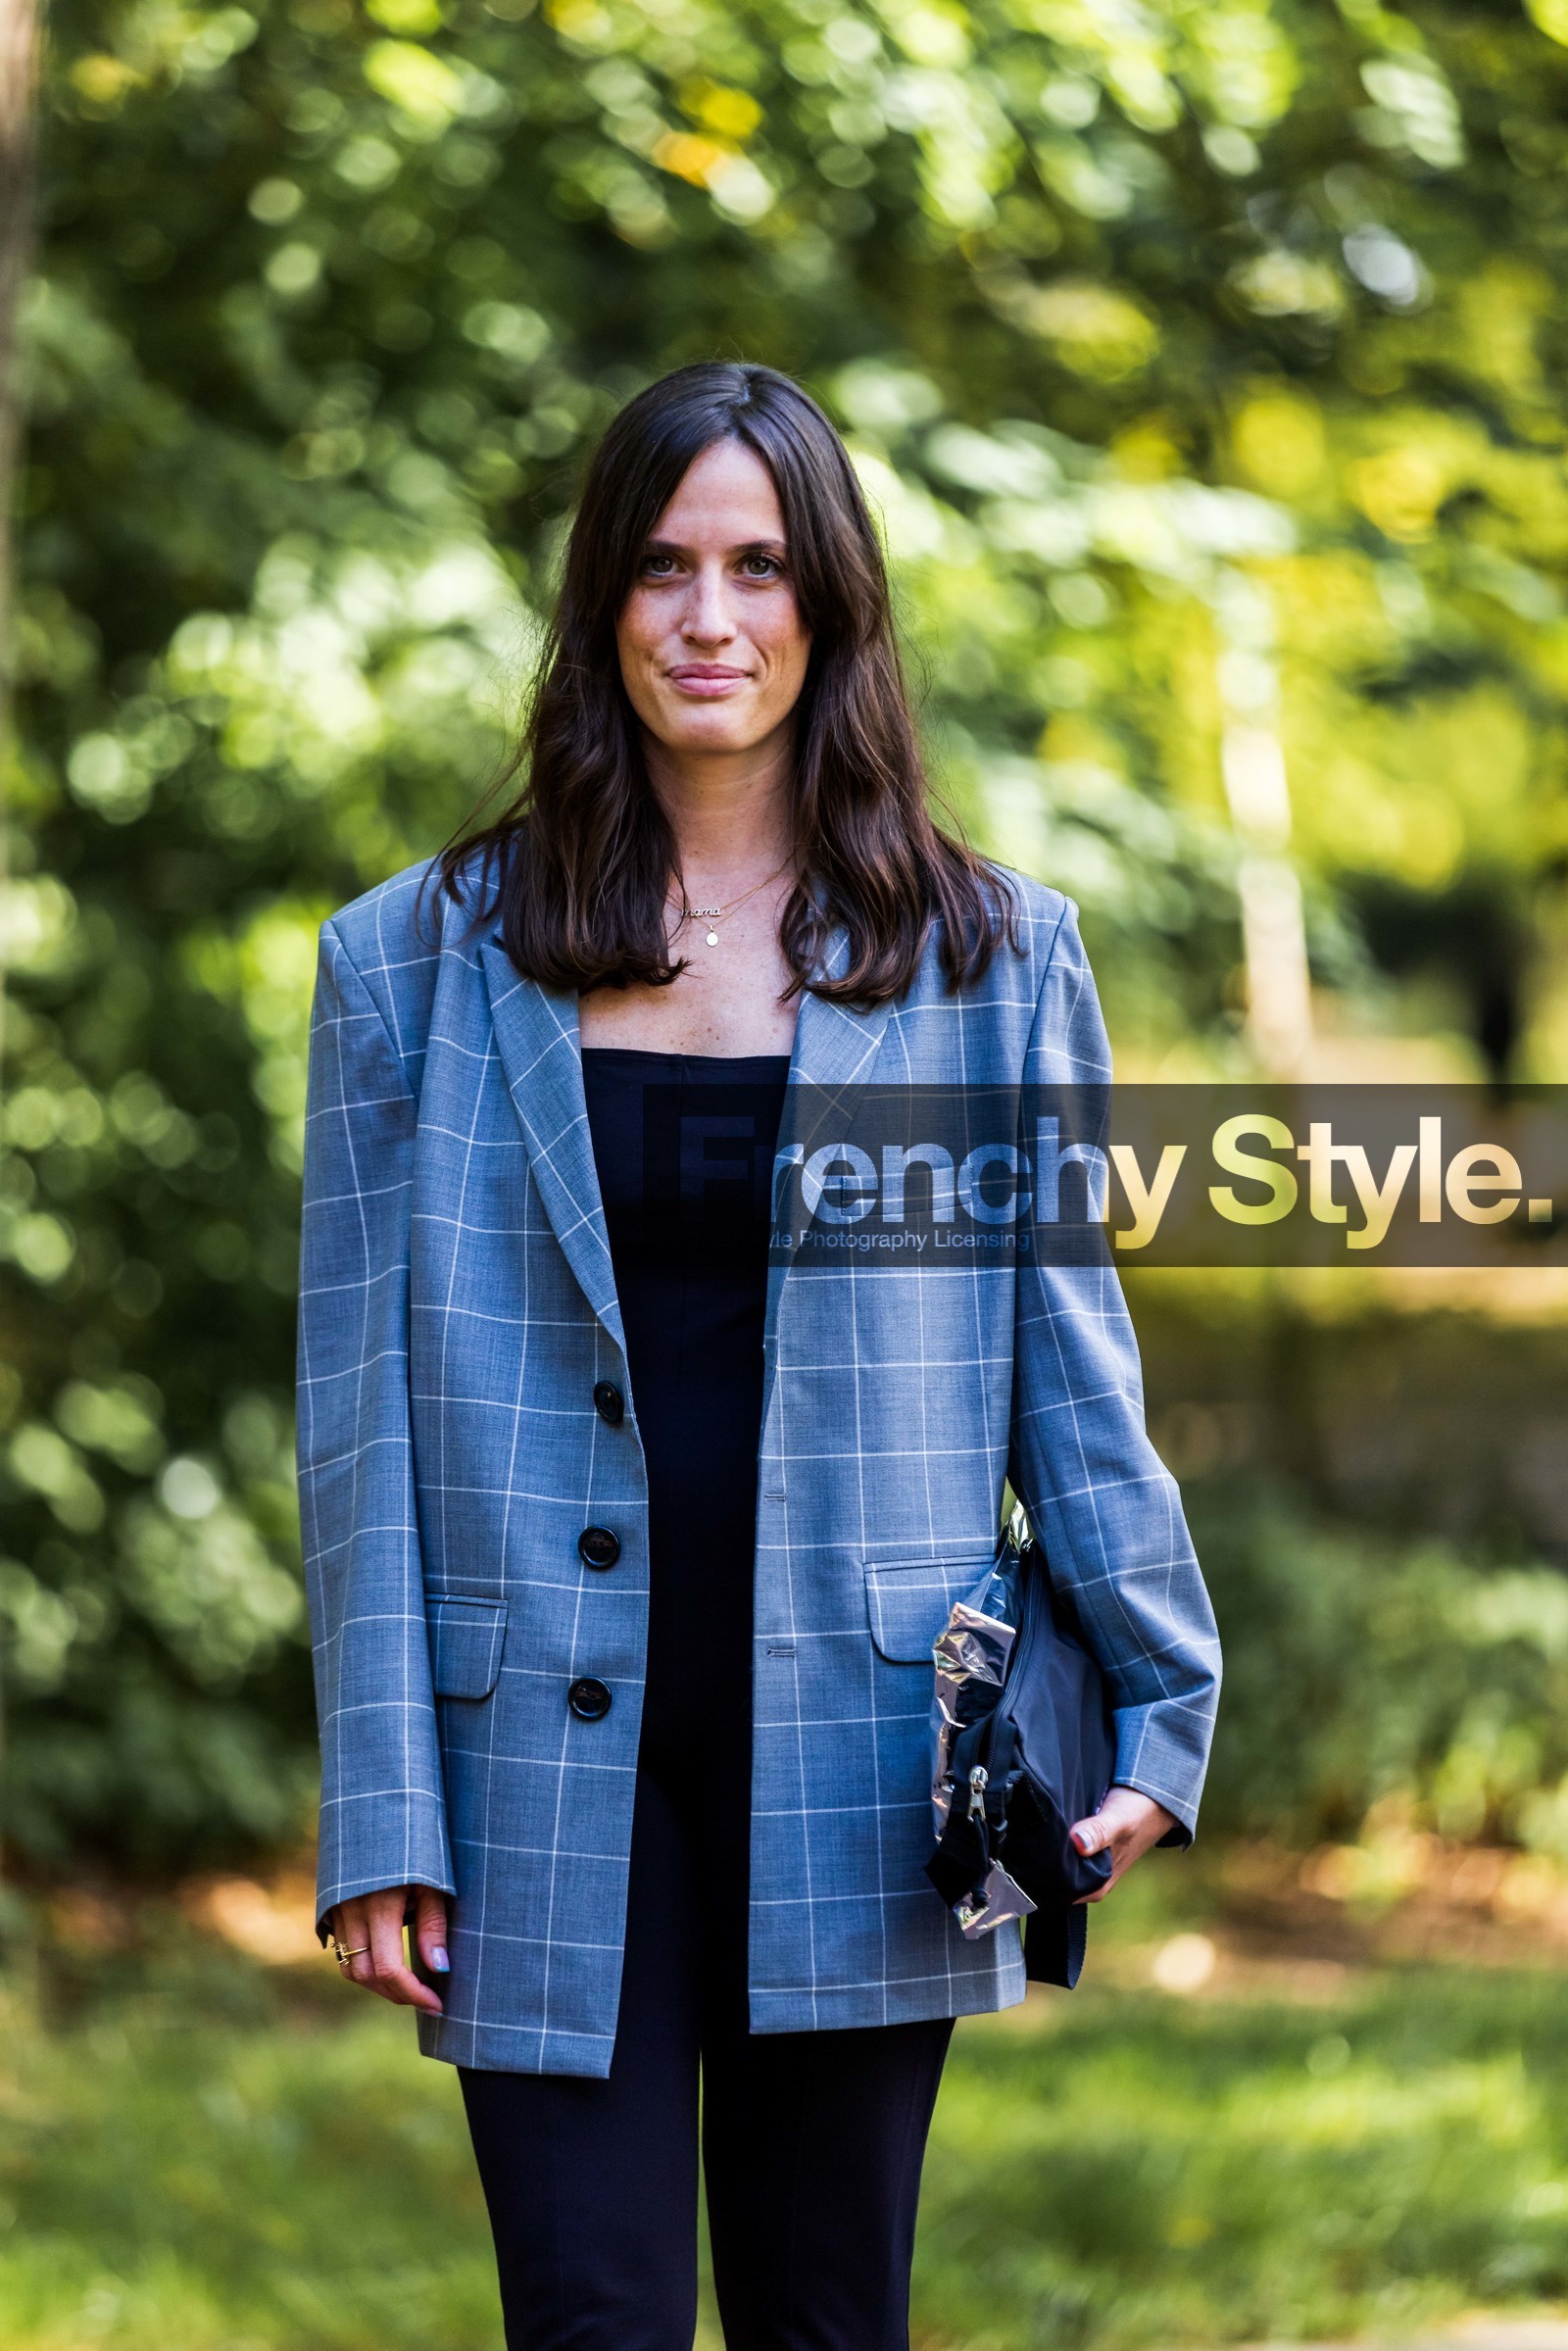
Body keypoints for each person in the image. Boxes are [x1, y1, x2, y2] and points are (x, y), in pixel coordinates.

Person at [297, 361, 1221, 2351]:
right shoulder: (410, 963)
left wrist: (1158, 1691)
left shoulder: (986, 960)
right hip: (533, 1758)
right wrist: (379, 1804)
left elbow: (1064, 1359)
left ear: (831, 605)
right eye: (658, 568)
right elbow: (357, 1424)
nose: (707, 618)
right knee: (590, 2314)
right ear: (596, 603)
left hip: (875, 1756)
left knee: (827, 2319)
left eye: (757, 566)